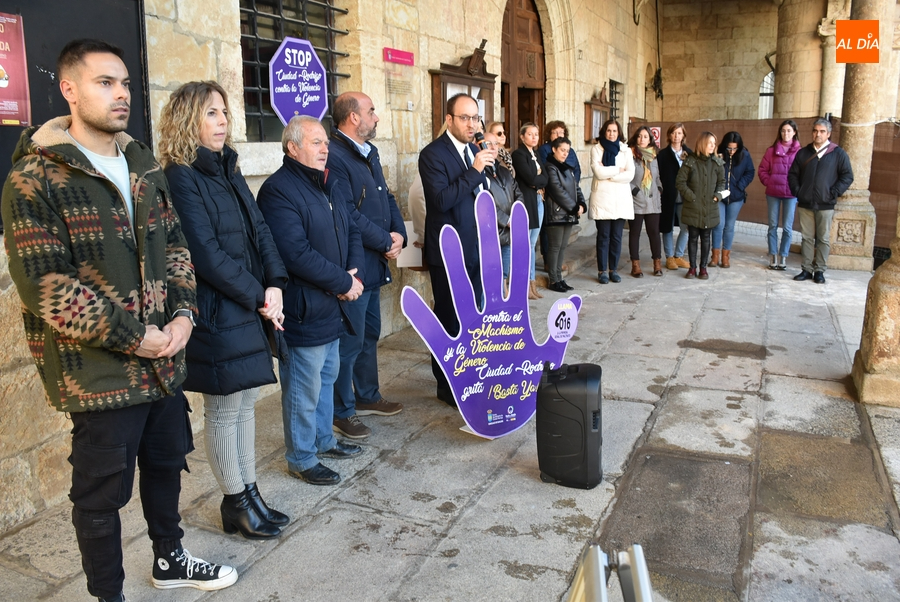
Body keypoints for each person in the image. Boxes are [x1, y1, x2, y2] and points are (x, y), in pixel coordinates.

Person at [1, 39, 237, 602]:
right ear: (69, 90)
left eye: (125, 83)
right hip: (100, 372)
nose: (121, 94)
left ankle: (169, 557)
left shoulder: (142, 163)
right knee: (100, 494)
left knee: (165, 463)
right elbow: (47, 287)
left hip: (164, 360)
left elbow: (177, 247)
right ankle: (108, 594)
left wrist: (182, 318)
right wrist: (138, 339)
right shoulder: (35, 179)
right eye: (105, 82)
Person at [158, 81, 289, 540]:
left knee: (247, 401)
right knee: (225, 409)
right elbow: (205, 254)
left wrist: (274, 284)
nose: (223, 122)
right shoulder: (180, 175)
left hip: (250, 302)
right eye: (212, 113)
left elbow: (262, 231)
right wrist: (259, 295)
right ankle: (235, 502)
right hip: (218, 309)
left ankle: (250, 494)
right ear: (187, 120)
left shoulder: (228, 168)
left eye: (225, 113)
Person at [257, 116, 364, 486]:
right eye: (316, 142)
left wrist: (352, 272)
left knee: (327, 376)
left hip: (333, 304)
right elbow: (294, 253)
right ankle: (301, 457)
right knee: (303, 388)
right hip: (305, 308)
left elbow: (350, 227)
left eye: (325, 143)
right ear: (293, 148)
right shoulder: (278, 191)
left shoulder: (330, 182)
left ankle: (323, 440)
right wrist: (342, 283)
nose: (325, 149)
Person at [327, 92, 407, 440]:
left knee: (369, 332)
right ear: (353, 118)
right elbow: (347, 213)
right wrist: (384, 240)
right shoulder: (335, 154)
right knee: (349, 338)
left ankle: (368, 395)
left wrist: (399, 233)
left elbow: (385, 195)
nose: (376, 117)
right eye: (371, 111)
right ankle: (342, 410)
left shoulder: (368, 152)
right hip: (356, 263)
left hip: (375, 262)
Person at [419, 93, 497, 406]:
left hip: (477, 247)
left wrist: (486, 169)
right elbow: (441, 200)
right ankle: (447, 384)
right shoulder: (433, 154)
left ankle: (469, 373)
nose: (471, 124)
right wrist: (475, 170)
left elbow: (482, 192)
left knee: (473, 317)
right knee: (450, 319)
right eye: (464, 117)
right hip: (449, 252)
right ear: (449, 119)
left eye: (475, 118)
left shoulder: (472, 151)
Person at [788, 118, 854, 284]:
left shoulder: (838, 154)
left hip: (826, 204)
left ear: (829, 134)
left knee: (823, 239)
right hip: (805, 203)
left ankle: (820, 270)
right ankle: (806, 269)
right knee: (807, 238)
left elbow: (847, 176)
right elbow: (792, 175)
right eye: (815, 131)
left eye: (822, 131)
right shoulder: (803, 153)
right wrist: (798, 191)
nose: (818, 134)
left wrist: (834, 192)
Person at [589, 119, 634, 284]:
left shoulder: (625, 150)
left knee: (616, 236)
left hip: (620, 199)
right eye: (609, 131)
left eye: (615, 131)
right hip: (602, 198)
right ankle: (602, 271)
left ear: (619, 133)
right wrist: (618, 170)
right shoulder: (596, 149)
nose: (612, 134)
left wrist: (610, 172)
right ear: (604, 132)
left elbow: (630, 175)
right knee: (603, 236)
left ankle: (613, 269)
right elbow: (598, 173)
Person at [676, 131, 726, 280]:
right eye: (710, 143)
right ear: (702, 143)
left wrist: (717, 196)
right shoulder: (690, 161)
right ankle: (692, 268)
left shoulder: (717, 163)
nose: (713, 146)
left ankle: (703, 268)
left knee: (706, 238)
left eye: (714, 143)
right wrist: (691, 196)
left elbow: (722, 182)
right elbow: (680, 181)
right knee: (692, 237)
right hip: (693, 207)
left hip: (710, 207)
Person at [544, 136, 587, 292]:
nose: (565, 153)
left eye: (567, 151)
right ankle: (553, 280)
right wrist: (574, 207)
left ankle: (560, 278)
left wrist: (581, 204)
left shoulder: (567, 168)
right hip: (556, 213)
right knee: (554, 247)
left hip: (569, 213)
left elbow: (576, 188)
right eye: (562, 150)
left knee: (562, 247)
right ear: (554, 149)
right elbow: (557, 191)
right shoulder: (550, 167)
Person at [511, 122, 549, 299]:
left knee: (532, 244)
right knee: (526, 244)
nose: (534, 137)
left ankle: (532, 285)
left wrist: (539, 180)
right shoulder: (519, 154)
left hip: (538, 200)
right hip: (527, 201)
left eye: (536, 134)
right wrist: (538, 180)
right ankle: (524, 284)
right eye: (530, 134)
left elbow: (545, 178)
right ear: (522, 136)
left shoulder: (536, 154)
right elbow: (530, 178)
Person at [483, 129, 525, 284]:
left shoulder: (504, 171)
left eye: (496, 144)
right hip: (492, 234)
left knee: (504, 276)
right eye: (488, 144)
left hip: (508, 234)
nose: (494, 147)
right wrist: (507, 220)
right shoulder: (478, 172)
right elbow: (485, 203)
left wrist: (517, 215)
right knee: (492, 280)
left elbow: (518, 193)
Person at [758, 119, 801, 270]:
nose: (786, 134)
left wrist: (797, 188)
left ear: (794, 132)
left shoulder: (800, 152)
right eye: (783, 131)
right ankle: (772, 255)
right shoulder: (771, 151)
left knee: (788, 227)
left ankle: (783, 256)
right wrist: (769, 182)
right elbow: (762, 169)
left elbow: (803, 173)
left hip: (791, 194)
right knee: (772, 226)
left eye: (789, 130)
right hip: (773, 193)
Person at [711, 131, 755, 268]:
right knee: (719, 224)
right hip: (719, 196)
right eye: (729, 148)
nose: (731, 151)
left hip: (736, 197)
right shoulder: (718, 154)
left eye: (734, 148)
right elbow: (712, 171)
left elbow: (750, 172)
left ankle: (725, 257)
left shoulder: (745, 156)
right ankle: (714, 256)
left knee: (729, 226)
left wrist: (740, 186)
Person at [627, 125, 663, 277]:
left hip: (653, 199)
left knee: (654, 232)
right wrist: (633, 190)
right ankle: (635, 265)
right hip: (637, 199)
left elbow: (657, 176)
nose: (642, 139)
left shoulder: (654, 155)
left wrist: (659, 188)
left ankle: (657, 263)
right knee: (634, 233)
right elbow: (625, 176)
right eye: (639, 136)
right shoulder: (630, 154)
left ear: (650, 139)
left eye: (645, 136)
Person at [658, 123, 692, 270]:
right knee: (667, 227)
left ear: (683, 135)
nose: (676, 136)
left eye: (679, 133)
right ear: (669, 135)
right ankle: (669, 257)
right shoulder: (663, 154)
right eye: (674, 133)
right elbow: (658, 174)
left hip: (684, 197)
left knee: (686, 227)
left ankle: (678, 255)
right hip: (668, 195)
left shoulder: (689, 154)